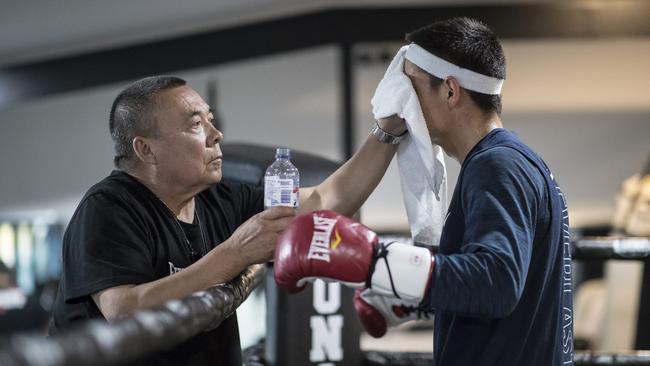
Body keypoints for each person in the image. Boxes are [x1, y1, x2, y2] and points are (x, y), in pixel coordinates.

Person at [275, 17, 573, 366]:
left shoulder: (497, 166)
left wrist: (377, 262)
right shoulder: (512, 160)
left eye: (410, 87)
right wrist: (424, 294)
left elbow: (499, 283)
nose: (402, 101)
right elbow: (513, 286)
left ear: (450, 90)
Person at [50, 76, 404, 365]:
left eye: (211, 121)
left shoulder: (221, 200)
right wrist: (236, 254)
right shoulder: (108, 207)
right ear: (146, 149)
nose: (215, 135)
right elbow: (124, 312)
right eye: (195, 125)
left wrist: (387, 131)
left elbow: (324, 200)